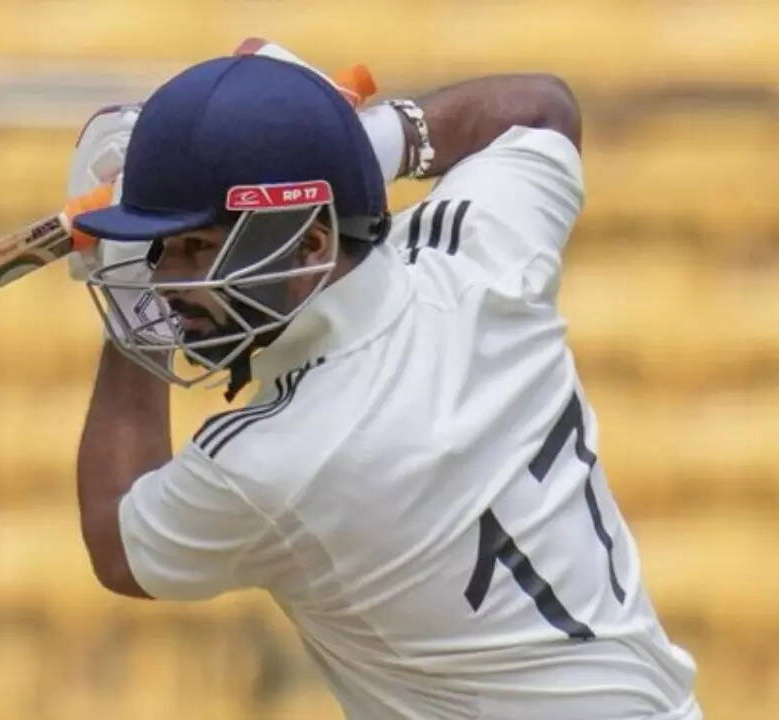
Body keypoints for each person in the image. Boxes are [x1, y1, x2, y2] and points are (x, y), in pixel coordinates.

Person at [65, 41, 701, 719]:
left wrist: (128, 304)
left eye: (196, 248)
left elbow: (119, 544)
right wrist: (375, 143)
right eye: (159, 252)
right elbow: (544, 111)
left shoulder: (277, 462)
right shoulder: (481, 260)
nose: (166, 280)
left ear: (312, 242)